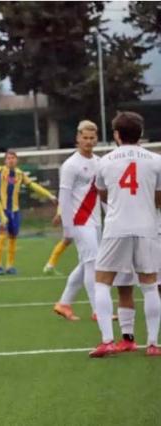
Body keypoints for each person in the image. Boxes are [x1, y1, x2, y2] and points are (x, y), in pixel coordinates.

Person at [90, 111, 161, 358]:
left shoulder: (104, 161)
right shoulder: (156, 160)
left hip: (116, 228)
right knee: (150, 286)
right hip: (147, 228)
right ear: (140, 134)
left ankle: (108, 341)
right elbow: (159, 199)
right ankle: (153, 344)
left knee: (102, 282)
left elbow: (103, 194)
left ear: (117, 135)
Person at [52, 120, 101, 321]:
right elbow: (64, 197)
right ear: (78, 138)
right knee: (92, 263)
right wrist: (67, 228)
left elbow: (102, 194)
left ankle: (64, 304)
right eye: (85, 137)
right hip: (80, 221)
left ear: (96, 139)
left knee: (85, 264)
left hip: (95, 221)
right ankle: (98, 310)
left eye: (92, 138)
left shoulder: (99, 162)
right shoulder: (71, 165)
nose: (88, 141)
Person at [0, 151, 57, 275]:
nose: (11, 160)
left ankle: (10, 266)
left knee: (13, 237)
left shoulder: (19, 174)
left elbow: (33, 185)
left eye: (13, 158)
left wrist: (49, 195)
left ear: (17, 160)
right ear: (5, 161)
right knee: (2, 236)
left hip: (15, 211)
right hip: (2, 210)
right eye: (8, 158)